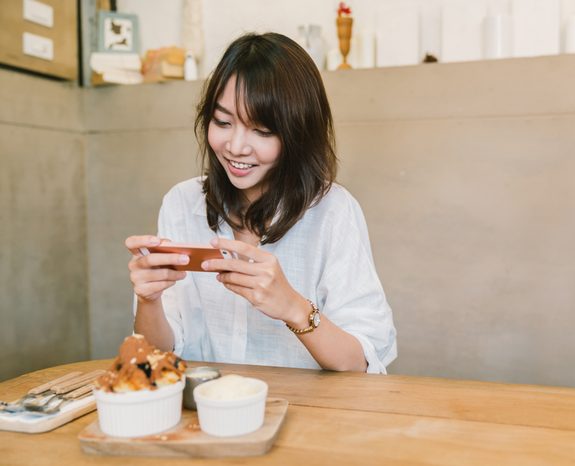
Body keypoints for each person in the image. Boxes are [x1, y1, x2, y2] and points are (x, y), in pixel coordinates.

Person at [125, 33, 397, 374]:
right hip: (205, 415)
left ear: (297, 133)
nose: (236, 146)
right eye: (223, 122)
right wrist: (149, 301)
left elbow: (360, 361)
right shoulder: (182, 203)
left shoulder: (333, 211)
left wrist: (292, 307)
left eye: (262, 130)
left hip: (308, 416)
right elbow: (158, 357)